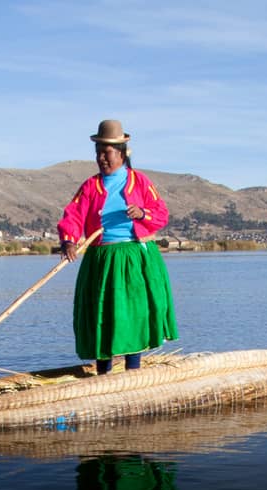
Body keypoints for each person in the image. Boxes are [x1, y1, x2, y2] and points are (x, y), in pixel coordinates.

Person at [59, 119, 178, 375]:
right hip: (101, 258)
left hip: (133, 256)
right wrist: (69, 240)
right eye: (98, 152)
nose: (102, 158)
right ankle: (104, 372)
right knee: (102, 313)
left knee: (132, 313)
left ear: (122, 154)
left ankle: (132, 371)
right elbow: (74, 215)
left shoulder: (140, 182)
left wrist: (142, 213)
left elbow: (160, 214)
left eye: (107, 152)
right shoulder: (91, 186)